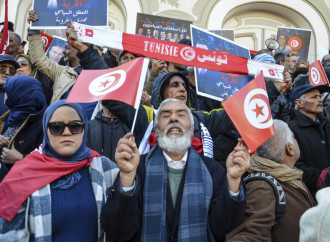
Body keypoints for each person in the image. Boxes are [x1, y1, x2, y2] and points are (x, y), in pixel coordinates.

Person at [101, 99, 250, 241]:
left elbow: (222, 229)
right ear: (157, 131)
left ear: (192, 130)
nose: (173, 118)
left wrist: (234, 181)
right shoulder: (136, 169)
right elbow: (118, 231)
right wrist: (127, 178)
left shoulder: (213, 171)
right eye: (165, 115)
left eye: (181, 115)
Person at [0, 100, 119, 241]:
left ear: (84, 128)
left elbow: (123, 223)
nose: (67, 133)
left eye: (75, 126)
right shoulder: (21, 175)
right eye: (56, 127)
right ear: (46, 130)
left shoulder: (105, 168)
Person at [226, 119, 315, 242]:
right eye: (294, 138)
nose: (296, 141)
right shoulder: (262, 187)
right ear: (290, 149)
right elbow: (251, 234)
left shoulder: (288, 176)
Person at [0, 76, 46, 181]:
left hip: (25, 186)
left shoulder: (45, 124)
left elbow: (52, 161)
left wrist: (22, 158)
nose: (4, 94)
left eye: (8, 91)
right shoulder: (10, 116)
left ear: (20, 94)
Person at [288, 84, 330, 196]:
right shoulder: (291, 130)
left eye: (320, 96)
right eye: (314, 97)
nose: (320, 100)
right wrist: (325, 176)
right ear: (299, 103)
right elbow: (295, 168)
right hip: (313, 197)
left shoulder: (326, 124)